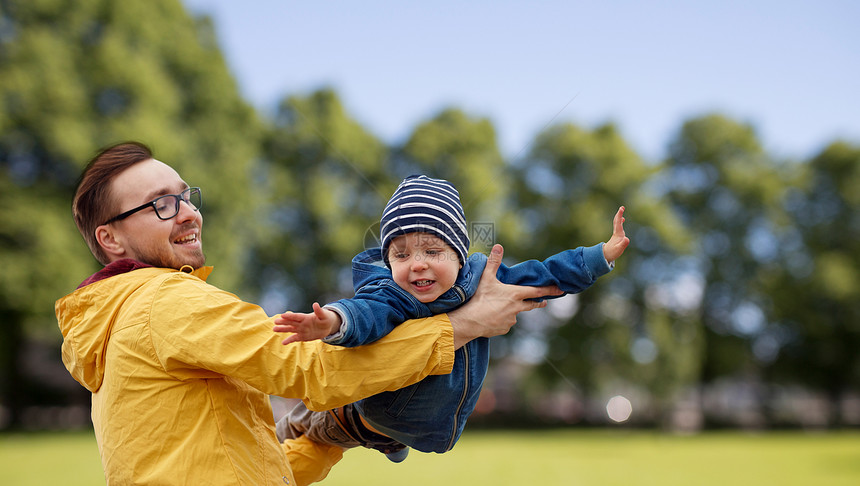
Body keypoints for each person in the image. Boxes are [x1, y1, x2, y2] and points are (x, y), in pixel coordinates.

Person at [55, 142, 560, 486]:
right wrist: (466, 325)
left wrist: (328, 438)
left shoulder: (115, 320)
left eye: (186, 196)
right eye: (161, 204)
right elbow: (311, 369)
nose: (189, 212)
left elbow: (244, 470)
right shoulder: (166, 302)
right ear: (110, 237)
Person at [273, 175, 629, 462]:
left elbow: (543, 274)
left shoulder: (483, 283)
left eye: (432, 250)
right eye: (401, 255)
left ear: (459, 256)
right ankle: (276, 437)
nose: (417, 263)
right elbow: (365, 311)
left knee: (388, 435)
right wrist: (332, 322)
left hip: (423, 424)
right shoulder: (394, 295)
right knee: (295, 434)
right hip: (353, 418)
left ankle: (394, 443)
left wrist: (599, 257)